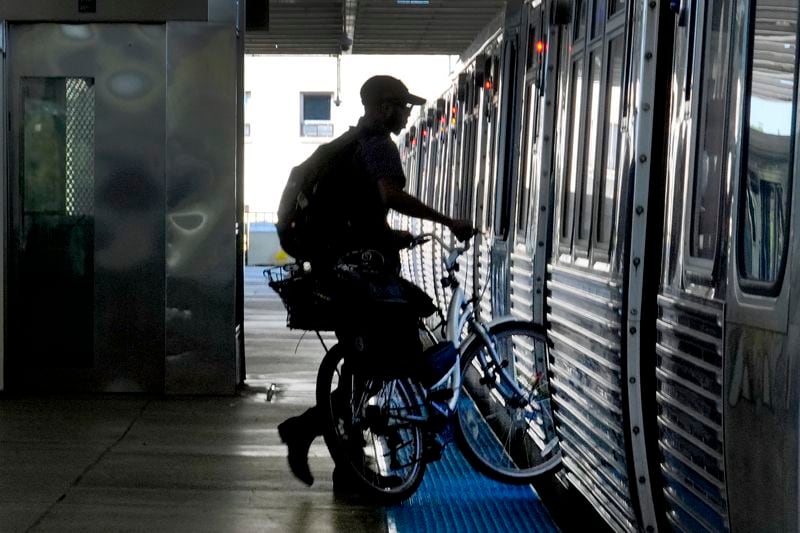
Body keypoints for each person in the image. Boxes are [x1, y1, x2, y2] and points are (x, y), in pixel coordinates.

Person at [277, 75, 475, 488]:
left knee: (362, 370)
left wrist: (390, 237)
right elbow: (390, 196)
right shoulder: (379, 145)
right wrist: (448, 221)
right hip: (363, 279)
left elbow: (359, 214)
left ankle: (327, 449)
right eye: (403, 106)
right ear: (385, 107)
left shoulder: (350, 144)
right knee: (386, 361)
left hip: (340, 269)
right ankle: (332, 450)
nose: (407, 114)